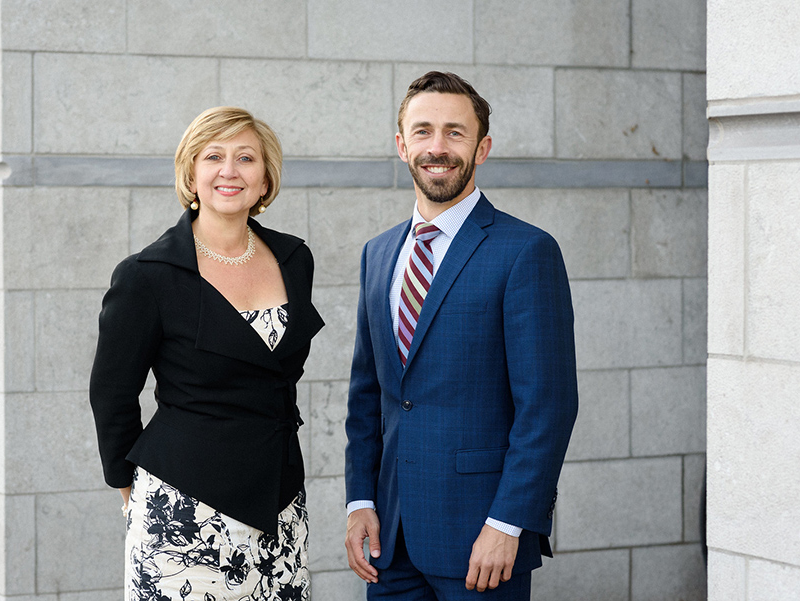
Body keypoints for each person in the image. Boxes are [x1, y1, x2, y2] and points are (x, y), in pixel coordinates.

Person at [344, 72, 578, 600]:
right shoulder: (377, 254)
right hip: (390, 542)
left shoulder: (525, 251)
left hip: (481, 541)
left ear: (482, 147)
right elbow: (369, 395)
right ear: (401, 144)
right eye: (423, 131)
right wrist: (360, 501)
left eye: (455, 132)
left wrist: (509, 523)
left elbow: (548, 405)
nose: (438, 147)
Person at [90, 106, 323, 601]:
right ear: (192, 173)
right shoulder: (146, 274)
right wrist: (128, 485)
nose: (230, 170)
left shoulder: (294, 258)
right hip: (185, 509)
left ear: (265, 178)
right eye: (213, 156)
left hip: (281, 501)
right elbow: (112, 390)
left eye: (246, 158)